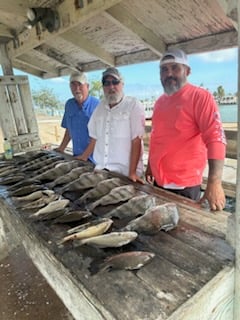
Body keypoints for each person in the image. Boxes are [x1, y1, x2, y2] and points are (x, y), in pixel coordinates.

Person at [145, 48, 226, 211]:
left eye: (175, 68)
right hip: (159, 182)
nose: (169, 74)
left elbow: (215, 137)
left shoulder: (201, 97)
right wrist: (149, 166)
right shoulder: (159, 102)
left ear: (187, 71)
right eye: (164, 70)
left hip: (185, 186)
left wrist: (215, 183)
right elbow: (156, 137)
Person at [87, 67, 145, 183]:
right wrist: (84, 157)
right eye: (106, 83)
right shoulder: (99, 108)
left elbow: (136, 140)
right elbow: (94, 137)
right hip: (101, 171)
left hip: (125, 174)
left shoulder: (133, 105)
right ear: (103, 87)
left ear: (122, 84)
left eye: (115, 82)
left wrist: (132, 173)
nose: (111, 87)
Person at [55, 72, 99, 162]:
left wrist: (85, 156)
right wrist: (61, 148)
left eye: (80, 85)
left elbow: (99, 136)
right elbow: (69, 130)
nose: (77, 89)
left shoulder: (98, 105)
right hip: (77, 157)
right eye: (73, 85)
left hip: (95, 161)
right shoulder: (69, 104)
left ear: (87, 86)